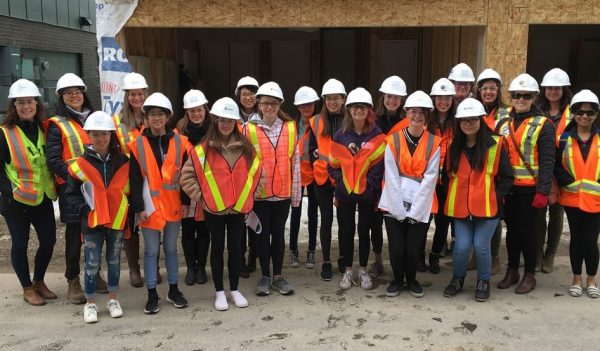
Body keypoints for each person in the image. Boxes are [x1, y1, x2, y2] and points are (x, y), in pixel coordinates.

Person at [182, 97, 262, 310]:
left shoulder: (246, 149)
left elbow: (257, 175)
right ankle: (219, 292)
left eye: (230, 120)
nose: (225, 124)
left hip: (237, 209)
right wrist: (204, 198)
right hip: (214, 210)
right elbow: (187, 178)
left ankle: (234, 289)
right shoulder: (202, 150)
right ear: (215, 121)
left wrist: (250, 196)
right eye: (222, 120)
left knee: (235, 249)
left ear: (235, 122)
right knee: (217, 248)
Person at [441, 98, 514, 302]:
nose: (468, 124)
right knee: (462, 247)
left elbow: (508, 177)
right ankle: (457, 278)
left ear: (481, 120)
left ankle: (483, 281)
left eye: (472, 120)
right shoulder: (452, 145)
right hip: (460, 207)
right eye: (463, 120)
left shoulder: (497, 144)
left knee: (482, 246)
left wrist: (495, 196)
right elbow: (446, 177)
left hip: (488, 208)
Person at [46, 73, 106, 304]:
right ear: (62, 97)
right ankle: (73, 279)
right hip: (72, 189)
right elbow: (54, 159)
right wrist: (75, 181)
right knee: (74, 235)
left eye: (77, 91)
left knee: (96, 230)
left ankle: (95, 273)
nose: (74, 95)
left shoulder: (95, 118)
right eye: (68, 93)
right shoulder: (57, 124)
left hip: (96, 187)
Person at [64, 111, 129, 323]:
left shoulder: (123, 161)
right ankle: (90, 303)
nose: (100, 138)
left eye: (104, 134)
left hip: (117, 220)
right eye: (95, 134)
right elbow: (71, 194)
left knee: (114, 261)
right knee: (92, 264)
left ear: (111, 135)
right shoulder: (79, 164)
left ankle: (113, 299)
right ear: (88, 136)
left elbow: (132, 191)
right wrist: (85, 211)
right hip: (92, 222)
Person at [494, 74, 555, 294]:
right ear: (511, 97)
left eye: (526, 95)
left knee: (528, 233)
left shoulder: (544, 125)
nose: (520, 99)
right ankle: (512, 270)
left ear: (535, 97)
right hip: (508, 188)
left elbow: (548, 160)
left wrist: (543, 191)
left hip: (531, 189)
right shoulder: (502, 123)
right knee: (511, 232)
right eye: (516, 95)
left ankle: (530, 274)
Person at [129, 93, 189, 313]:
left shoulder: (181, 142)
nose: (156, 118)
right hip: (150, 207)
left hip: (173, 204)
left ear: (168, 117)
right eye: (152, 114)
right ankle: (152, 294)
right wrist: (138, 208)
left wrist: (185, 201)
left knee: (172, 249)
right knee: (152, 252)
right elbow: (134, 179)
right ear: (146, 117)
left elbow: (186, 175)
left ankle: (174, 290)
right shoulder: (137, 144)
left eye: (160, 114)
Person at [0, 79, 57, 306]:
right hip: (15, 202)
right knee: (21, 244)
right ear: (13, 106)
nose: (26, 106)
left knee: (49, 241)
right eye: (20, 103)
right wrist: (8, 191)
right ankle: (27, 288)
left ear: (37, 104)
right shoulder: (4, 133)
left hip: (41, 197)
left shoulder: (44, 129)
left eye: (30, 102)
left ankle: (39, 281)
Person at [379, 91, 441, 298]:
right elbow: (391, 175)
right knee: (397, 248)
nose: (417, 116)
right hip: (393, 200)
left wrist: (415, 209)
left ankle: (412, 279)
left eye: (421, 113)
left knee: (413, 248)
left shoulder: (434, 143)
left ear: (427, 116)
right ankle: (397, 279)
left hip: (421, 203)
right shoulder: (393, 140)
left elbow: (430, 178)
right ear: (406, 112)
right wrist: (398, 208)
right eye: (413, 111)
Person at [244, 81, 301, 296]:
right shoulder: (247, 129)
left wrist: (296, 195)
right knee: (261, 235)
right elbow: (244, 165)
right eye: (266, 103)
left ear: (280, 105)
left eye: (274, 104)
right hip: (259, 195)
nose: (269, 107)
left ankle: (278, 276)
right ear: (258, 104)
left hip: (282, 194)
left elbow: (295, 162)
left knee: (278, 235)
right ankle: (264, 276)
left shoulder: (290, 127)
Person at [328, 88, 385, 290]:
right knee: (346, 232)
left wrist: (368, 186)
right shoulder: (340, 135)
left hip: (367, 195)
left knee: (364, 231)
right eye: (355, 107)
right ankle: (347, 272)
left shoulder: (377, 135)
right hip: (345, 194)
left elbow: (379, 166)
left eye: (363, 107)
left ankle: (362, 271)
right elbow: (332, 165)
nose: (359, 111)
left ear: (369, 110)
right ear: (349, 110)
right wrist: (341, 183)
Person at [554, 90, 600, 298]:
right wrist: (565, 180)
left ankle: (591, 279)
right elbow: (556, 164)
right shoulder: (563, 139)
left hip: (596, 200)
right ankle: (576, 278)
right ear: (573, 113)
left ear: (596, 114)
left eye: (589, 112)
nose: (584, 116)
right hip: (572, 199)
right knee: (576, 239)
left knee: (591, 241)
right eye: (580, 112)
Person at [308, 78, 347, 280]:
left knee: (343, 220)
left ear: (343, 99)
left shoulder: (350, 120)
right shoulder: (315, 122)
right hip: (322, 178)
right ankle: (326, 261)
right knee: (326, 220)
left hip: (343, 178)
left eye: (336, 98)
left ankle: (342, 257)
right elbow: (310, 150)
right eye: (328, 99)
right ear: (324, 100)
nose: (332, 102)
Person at [369, 75, 408, 278]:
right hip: (376, 178)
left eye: (397, 97)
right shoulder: (372, 119)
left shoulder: (408, 121)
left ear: (402, 100)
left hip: (400, 179)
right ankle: (377, 260)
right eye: (389, 96)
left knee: (398, 221)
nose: (392, 100)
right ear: (383, 97)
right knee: (375, 222)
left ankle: (399, 261)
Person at [535, 68, 573, 273]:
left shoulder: (573, 112)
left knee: (557, 213)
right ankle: (538, 253)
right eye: (549, 87)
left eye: (557, 88)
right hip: (542, 168)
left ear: (564, 90)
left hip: (563, 170)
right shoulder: (537, 110)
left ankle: (550, 254)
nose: (552, 91)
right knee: (539, 213)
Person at [114, 72, 148, 288]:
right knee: (130, 227)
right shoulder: (117, 122)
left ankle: (151, 265)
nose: (137, 98)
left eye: (140, 94)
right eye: (133, 94)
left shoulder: (153, 116)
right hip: (126, 184)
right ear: (126, 96)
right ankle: (134, 269)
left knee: (152, 224)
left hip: (151, 182)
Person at [475, 68, 510, 275]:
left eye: (492, 88)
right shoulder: (475, 110)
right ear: (478, 90)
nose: (488, 92)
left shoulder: (506, 113)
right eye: (484, 88)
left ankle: (494, 257)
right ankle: (475, 255)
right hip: (479, 167)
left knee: (493, 214)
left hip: (497, 168)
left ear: (498, 90)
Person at [176, 89, 212, 285]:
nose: (196, 114)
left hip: (208, 190)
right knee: (188, 230)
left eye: (199, 110)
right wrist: (183, 198)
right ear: (187, 113)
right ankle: (191, 267)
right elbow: (178, 167)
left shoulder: (214, 130)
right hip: (186, 191)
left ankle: (201, 268)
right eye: (192, 111)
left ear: (205, 109)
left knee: (204, 230)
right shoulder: (179, 133)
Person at [427, 78, 457, 274]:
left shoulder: (459, 122)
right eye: (439, 98)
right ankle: (419, 254)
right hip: (428, 180)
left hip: (449, 180)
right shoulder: (426, 122)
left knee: (443, 222)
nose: (443, 102)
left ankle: (435, 255)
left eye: (447, 98)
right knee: (423, 220)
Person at [234, 76, 260, 276]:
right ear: (238, 96)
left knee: (255, 217)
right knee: (239, 219)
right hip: (236, 175)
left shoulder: (264, 115)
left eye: (251, 93)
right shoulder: (231, 115)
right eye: (244, 94)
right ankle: (240, 258)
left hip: (257, 174)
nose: (248, 97)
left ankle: (254, 255)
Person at [293, 86, 320, 269]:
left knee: (312, 212)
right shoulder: (291, 126)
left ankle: (311, 250)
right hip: (295, 174)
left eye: (309, 104)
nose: (306, 107)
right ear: (298, 107)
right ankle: (293, 250)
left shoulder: (319, 125)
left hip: (313, 173)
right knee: (295, 212)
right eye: (303, 105)